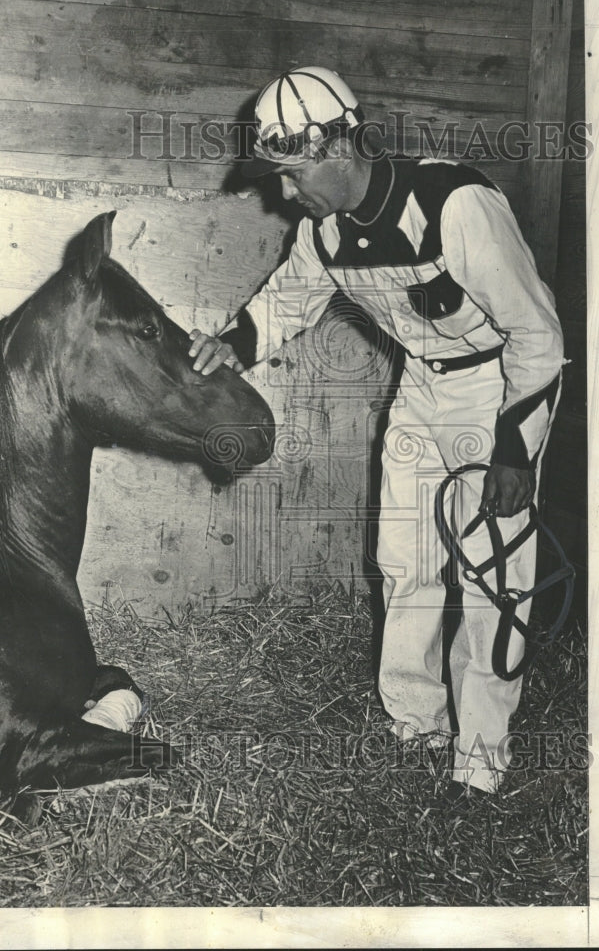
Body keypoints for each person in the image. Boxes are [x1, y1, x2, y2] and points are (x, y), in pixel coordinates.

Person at [188, 66, 564, 805]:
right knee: (404, 562)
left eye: (294, 174)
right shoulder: (322, 229)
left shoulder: (455, 203)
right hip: (423, 388)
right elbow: (286, 301)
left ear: (336, 144)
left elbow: (538, 335)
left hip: (498, 387)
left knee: (490, 581)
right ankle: (414, 732)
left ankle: (480, 767)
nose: (286, 194)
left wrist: (515, 448)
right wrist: (231, 342)